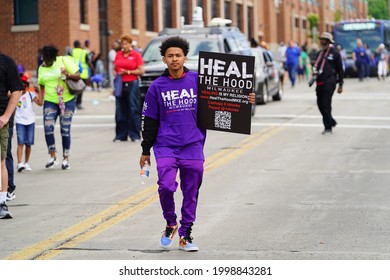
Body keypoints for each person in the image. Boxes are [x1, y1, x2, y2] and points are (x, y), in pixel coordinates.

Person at [139, 36, 255, 251]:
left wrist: (243, 100)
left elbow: (224, 100)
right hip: (165, 145)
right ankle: (170, 222)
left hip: (192, 145)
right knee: (165, 186)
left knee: (191, 191)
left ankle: (186, 233)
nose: (174, 59)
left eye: (178, 55)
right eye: (170, 56)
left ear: (185, 58)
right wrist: (145, 150)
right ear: (164, 59)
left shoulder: (198, 81)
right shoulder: (157, 87)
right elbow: (150, 120)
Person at [37, 45, 81, 170]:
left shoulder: (63, 60)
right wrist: (40, 99)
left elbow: (78, 75)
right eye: (45, 59)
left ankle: (66, 158)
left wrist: (67, 74)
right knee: (48, 127)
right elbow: (41, 85)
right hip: (50, 101)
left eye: (49, 59)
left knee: (65, 129)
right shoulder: (41, 68)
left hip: (67, 100)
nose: (47, 61)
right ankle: (53, 156)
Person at [0, 50, 24, 219]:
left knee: (1, 162)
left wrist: (6, 116)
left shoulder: (6, 61)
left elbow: (17, 90)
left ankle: (2, 203)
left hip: (0, 121)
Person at [113, 34, 144, 142]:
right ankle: (120, 135)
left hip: (132, 83)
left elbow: (141, 71)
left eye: (126, 43)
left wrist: (129, 72)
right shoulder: (118, 54)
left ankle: (135, 135)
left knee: (133, 109)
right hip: (120, 83)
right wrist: (116, 75)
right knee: (120, 110)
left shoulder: (136, 55)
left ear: (130, 44)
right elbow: (114, 68)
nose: (124, 46)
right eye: (123, 44)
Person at [313, 32, 344, 135]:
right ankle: (331, 120)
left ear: (328, 41)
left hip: (330, 82)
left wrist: (340, 84)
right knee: (320, 104)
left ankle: (328, 127)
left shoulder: (335, 53)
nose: (321, 41)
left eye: (324, 39)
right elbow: (316, 66)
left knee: (326, 104)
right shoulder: (319, 53)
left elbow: (340, 69)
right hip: (319, 82)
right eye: (321, 39)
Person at [15, 73, 41, 172]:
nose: (23, 87)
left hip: (30, 121)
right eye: (21, 85)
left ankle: (26, 162)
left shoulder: (30, 95)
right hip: (19, 121)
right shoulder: (15, 95)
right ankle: (19, 163)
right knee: (20, 142)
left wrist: (40, 92)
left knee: (29, 143)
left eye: (25, 85)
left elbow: (40, 103)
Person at [72, 40, 92, 109]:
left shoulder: (71, 51)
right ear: (79, 45)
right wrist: (93, 69)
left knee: (73, 87)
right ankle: (78, 103)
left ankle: (72, 102)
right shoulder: (84, 52)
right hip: (83, 73)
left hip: (73, 72)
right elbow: (88, 61)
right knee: (80, 89)